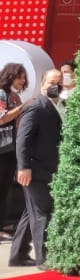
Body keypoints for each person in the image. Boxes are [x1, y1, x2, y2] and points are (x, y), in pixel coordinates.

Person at [9, 69, 63, 268]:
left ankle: (18, 255)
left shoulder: (54, 106)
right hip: (35, 170)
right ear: (42, 85)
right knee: (42, 213)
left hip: (45, 168)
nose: (54, 87)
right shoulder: (36, 106)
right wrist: (24, 167)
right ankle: (44, 258)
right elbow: (23, 140)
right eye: (51, 83)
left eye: (59, 83)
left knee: (29, 213)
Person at [0, 63, 27, 239]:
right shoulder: (2, 93)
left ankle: (3, 222)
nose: (23, 81)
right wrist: (22, 108)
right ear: (10, 76)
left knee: (4, 187)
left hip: (10, 148)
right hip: (2, 148)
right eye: (20, 77)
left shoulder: (14, 96)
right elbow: (1, 119)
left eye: (24, 77)